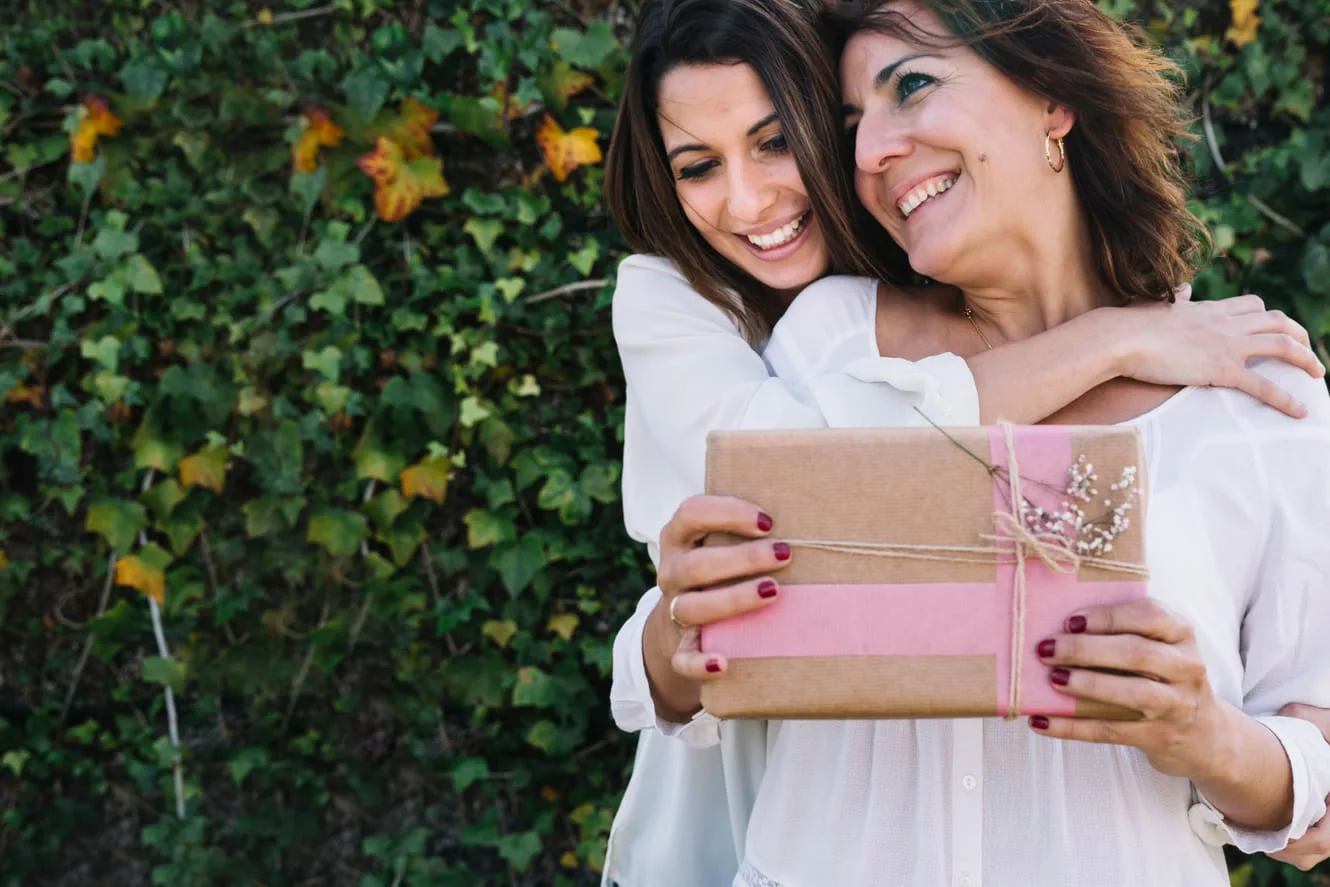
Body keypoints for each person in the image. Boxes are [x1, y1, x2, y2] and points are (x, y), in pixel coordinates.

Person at [603, 0, 1330, 884]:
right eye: (850, 125)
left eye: (912, 86)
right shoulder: (825, 338)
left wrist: (1208, 735)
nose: (869, 151)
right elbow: (706, 612)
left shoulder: (1258, 394)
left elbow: (1315, 795)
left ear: (1052, 96)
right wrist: (1116, 340)